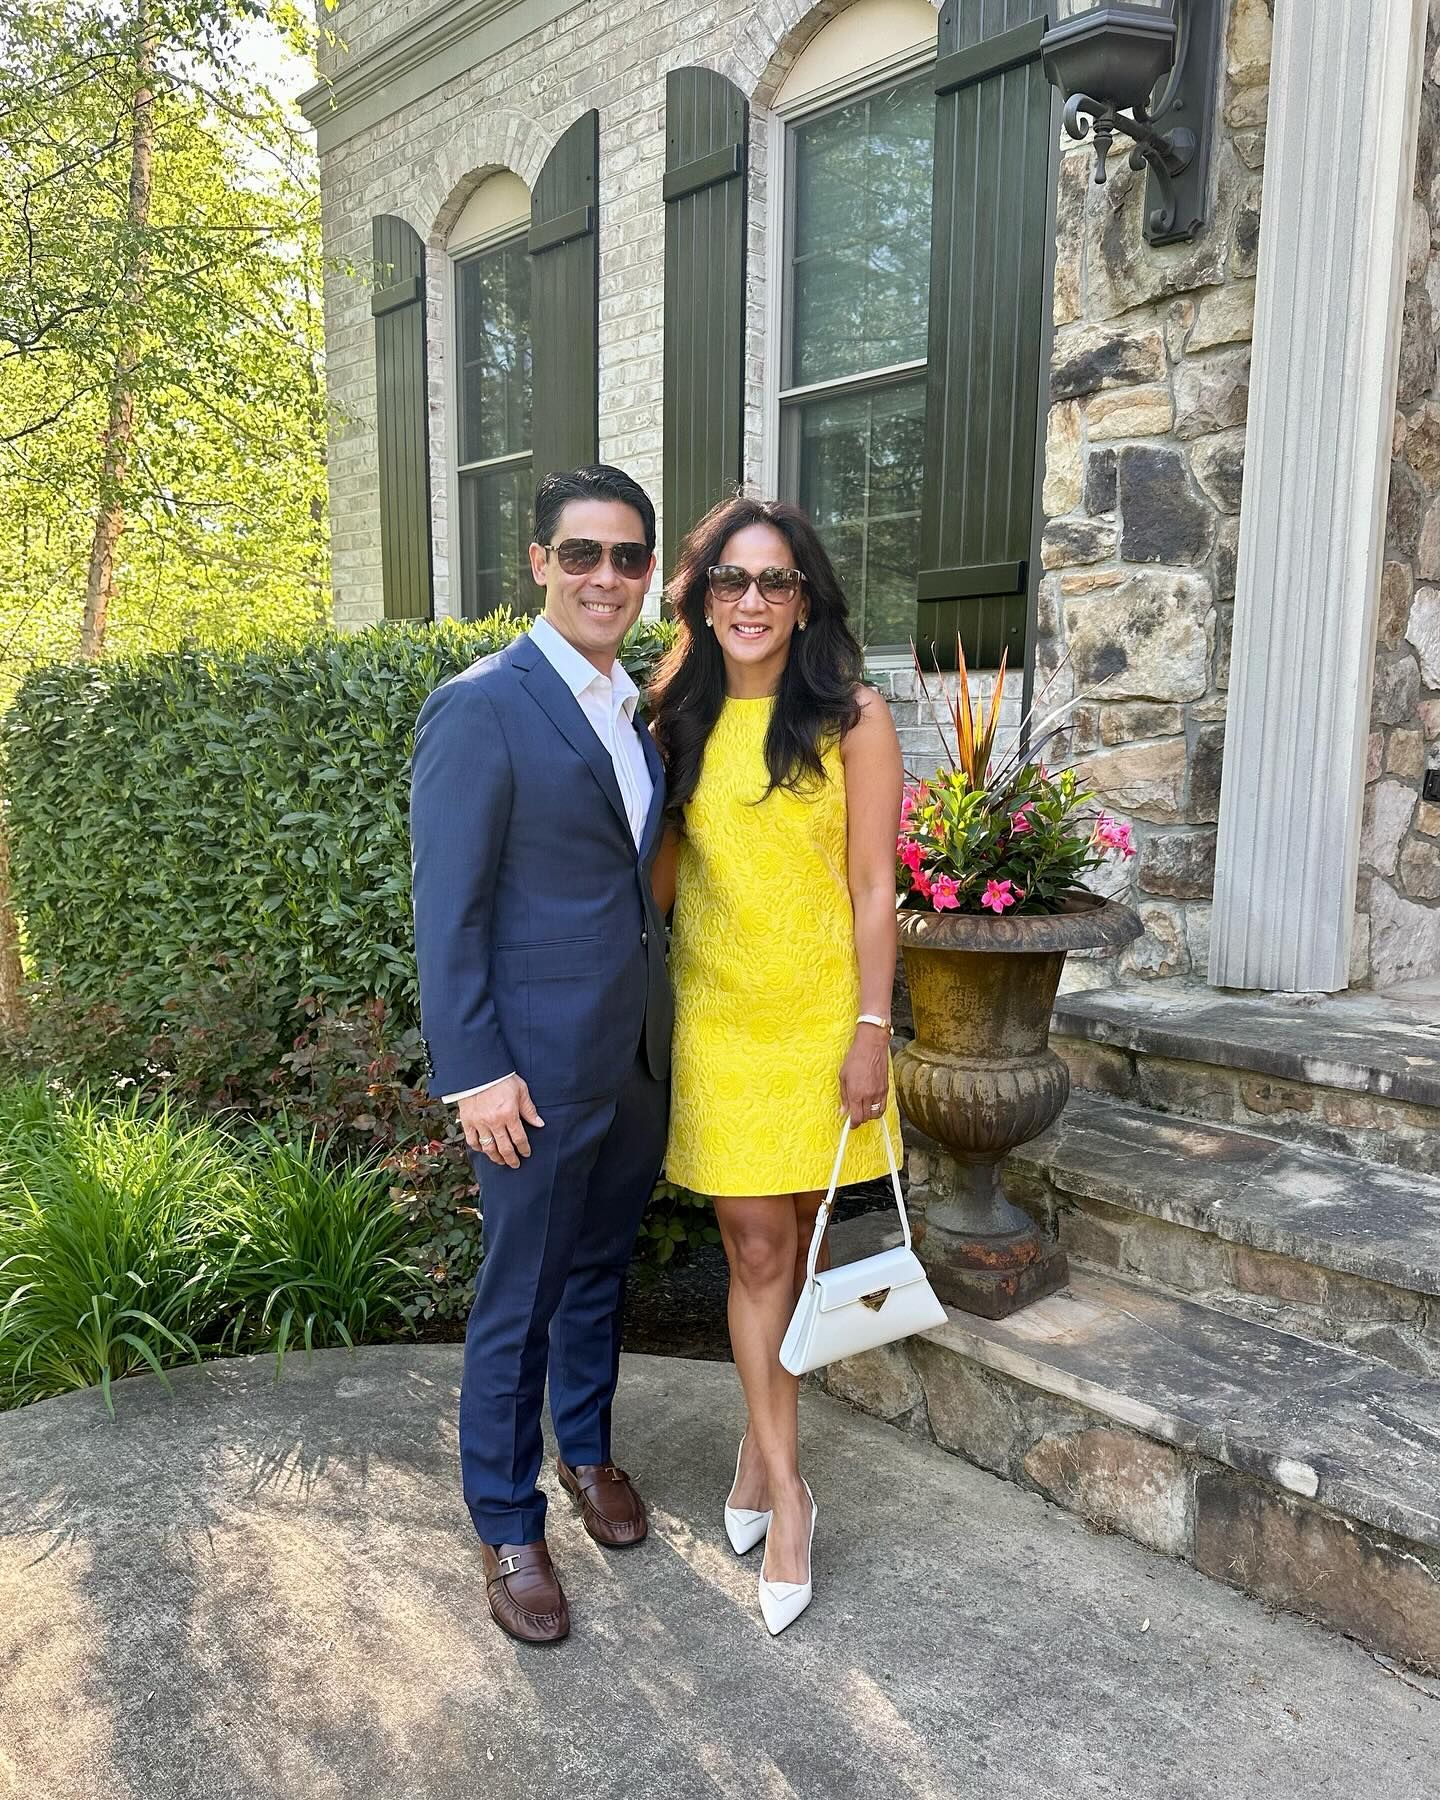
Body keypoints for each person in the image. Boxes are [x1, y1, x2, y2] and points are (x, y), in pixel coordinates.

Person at [410, 464, 672, 1647]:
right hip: (527, 1075)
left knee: (597, 1271)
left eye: (626, 557)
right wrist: (475, 1072)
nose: (605, 577)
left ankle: (588, 1451)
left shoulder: (630, 710)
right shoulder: (484, 704)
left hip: (629, 1058)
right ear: (538, 565)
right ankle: (506, 1522)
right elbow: (446, 908)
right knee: (518, 1294)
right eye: (582, 555)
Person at [649, 495, 903, 1635]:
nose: (751, 601)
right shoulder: (671, 720)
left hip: (819, 1027)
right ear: (702, 600)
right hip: (719, 1024)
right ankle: (791, 1493)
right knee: (756, 1249)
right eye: (729, 582)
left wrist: (871, 1027)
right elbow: (654, 889)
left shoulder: (851, 717)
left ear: (806, 602)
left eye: (774, 582)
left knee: (796, 1253)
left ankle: (759, 1456)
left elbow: (869, 890)